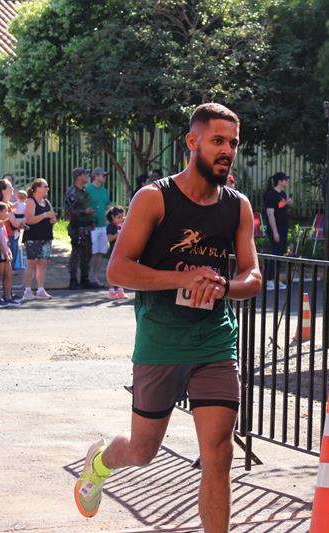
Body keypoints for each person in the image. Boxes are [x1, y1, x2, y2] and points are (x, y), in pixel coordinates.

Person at [74, 103, 262, 532]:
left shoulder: (238, 207)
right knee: (143, 451)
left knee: (218, 454)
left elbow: (252, 276)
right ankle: (100, 465)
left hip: (214, 341)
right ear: (192, 142)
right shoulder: (155, 197)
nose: (227, 150)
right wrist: (184, 278)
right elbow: (118, 270)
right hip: (161, 340)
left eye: (233, 143)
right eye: (218, 141)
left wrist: (222, 286)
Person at [22, 179, 56, 300]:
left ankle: (40, 289)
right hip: (33, 237)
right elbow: (29, 219)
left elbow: (53, 217)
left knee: (43, 264)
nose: (47, 188)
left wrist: (52, 219)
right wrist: (45, 215)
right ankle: (27, 290)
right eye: (45, 186)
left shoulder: (46, 201)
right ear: (37, 188)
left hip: (46, 236)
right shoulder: (30, 201)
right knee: (32, 264)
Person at [64, 167, 97, 290]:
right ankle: (73, 280)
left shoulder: (84, 191)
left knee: (87, 253)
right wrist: (84, 211)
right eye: (85, 174)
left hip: (87, 226)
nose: (87, 177)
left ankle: (84, 279)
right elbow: (68, 211)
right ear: (78, 177)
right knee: (76, 253)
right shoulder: (72, 192)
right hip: (77, 227)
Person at [263, 171, 291, 290]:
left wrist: (287, 203)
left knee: (281, 254)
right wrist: (275, 231)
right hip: (276, 228)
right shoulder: (271, 195)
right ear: (280, 181)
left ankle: (276, 279)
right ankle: (269, 280)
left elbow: (279, 205)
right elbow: (270, 213)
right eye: (285, 179)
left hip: (283, 227)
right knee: (275, 253)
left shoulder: (282, 194)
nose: (287, 181)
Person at [0, 202, 20, 306]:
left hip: (5, 253)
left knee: (9, 275)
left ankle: (8, 297)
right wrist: (5, 253)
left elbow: (6, 240)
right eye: (5, 211)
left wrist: (9, 252)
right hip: (0, 254)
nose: (8, 213)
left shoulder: (2, 224)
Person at [86, 167, 111, 287]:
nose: (105, 177)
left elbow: (107, 206)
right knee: (92, 251)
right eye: (103, 175)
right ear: (96, 176)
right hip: (92, 226)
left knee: (100, 251)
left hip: (103, 225)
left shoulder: (104, 190)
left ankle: (95, 276)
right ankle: (88, 276)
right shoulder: (87, 189)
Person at [105, 206, 127, 300]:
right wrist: (118, 234)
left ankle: (120, 290)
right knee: (112, 271)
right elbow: (109, 238)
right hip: (113, 251)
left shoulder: (123, 225)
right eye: (119, 217)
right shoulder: (111, 226)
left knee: (121, 271)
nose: (121, 219)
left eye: (122, 217)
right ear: (113, 217)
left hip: (122, 251)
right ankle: (111, 291)